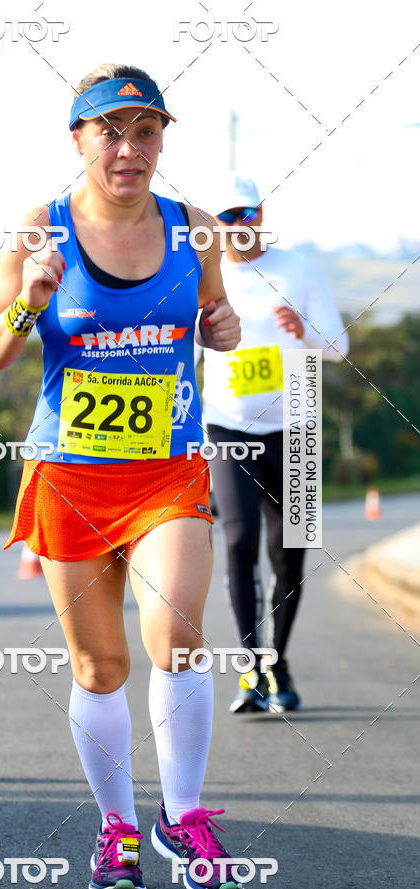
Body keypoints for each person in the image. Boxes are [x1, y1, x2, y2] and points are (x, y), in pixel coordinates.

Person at [0, 64, 242, 889]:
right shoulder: (39, 229)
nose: (128, 149)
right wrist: (29, 302)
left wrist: (223, 328)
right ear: (78, 139)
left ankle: (182, 819)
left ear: (161, 140)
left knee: (178, 636)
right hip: (72, 477)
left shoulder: (196, 231)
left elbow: (217, 321)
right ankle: (116, 830)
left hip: (167, 471)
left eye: (145, 131)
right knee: (99, 667)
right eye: (110, 131)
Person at [196, 174, 349, 714]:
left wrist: (302, 329)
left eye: (248, 212)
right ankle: (250, 670)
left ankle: (277, 662)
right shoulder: (202, 274)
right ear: (213, 224)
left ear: (262, 212)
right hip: (227, 428)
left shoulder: (299, 269)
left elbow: (338, 345)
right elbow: (179, 348)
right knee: (239, 544)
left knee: (289, 555)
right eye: (227, 217)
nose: (240, 225)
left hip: (296, 428)